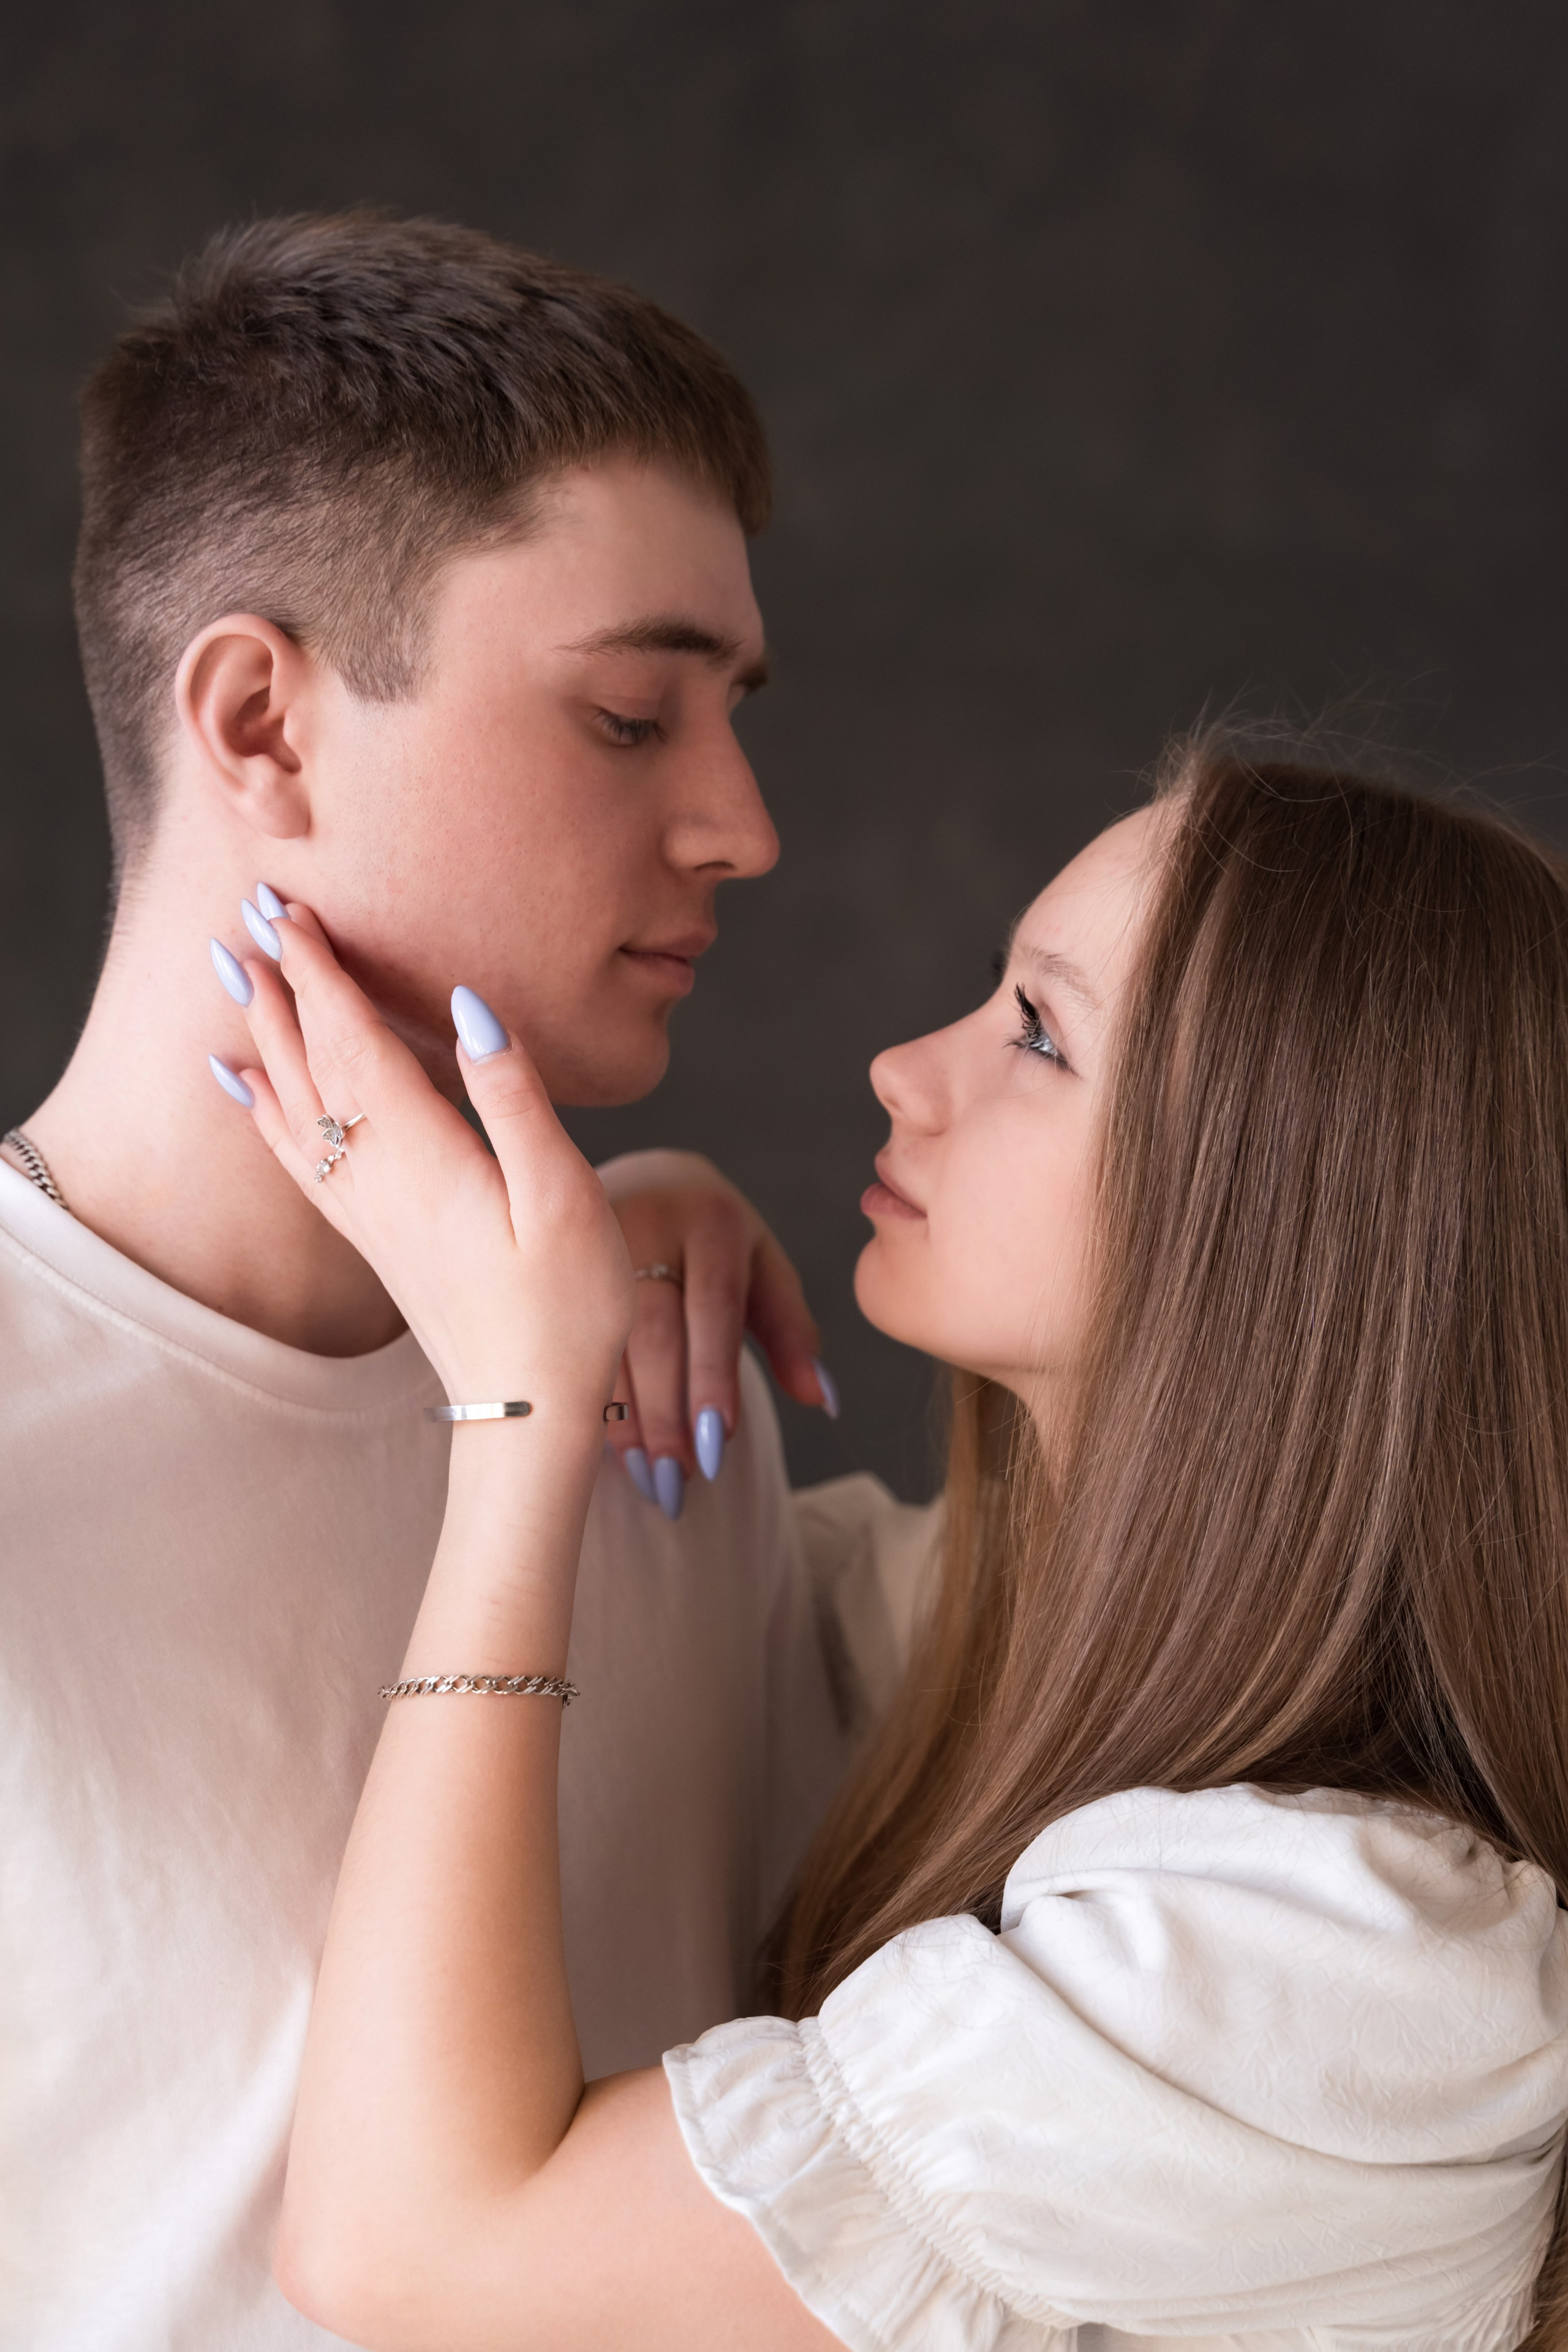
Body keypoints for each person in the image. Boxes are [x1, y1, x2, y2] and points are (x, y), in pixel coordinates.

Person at [256, 733, 1568, 2351]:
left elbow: (404, 2249)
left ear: (1289, 1216)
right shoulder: (990, 1631)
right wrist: (622, 1263)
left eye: (1038, 1035)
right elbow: (711, 1637)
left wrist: (520, 1416)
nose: (904, 1067)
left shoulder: (1341, 1976)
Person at [0, 213, 854, 2350]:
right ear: (264, 722)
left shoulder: (665, 1395)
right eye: (631, 716)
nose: (741, 824)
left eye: (730, 716)